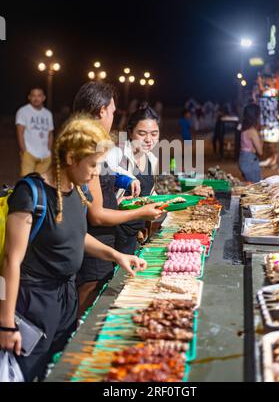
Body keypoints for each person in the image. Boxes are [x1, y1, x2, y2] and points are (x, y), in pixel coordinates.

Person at [0, 115, 146, 382]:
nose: (95, 173)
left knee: (60, 368)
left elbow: (77, 237)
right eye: (92, 165)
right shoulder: (31, 194)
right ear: (70, 159)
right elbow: (10, 262)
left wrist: (116, 255)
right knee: (29, 371)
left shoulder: (78, 192)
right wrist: (6, 323)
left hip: (66, 298)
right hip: (33, 303)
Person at [72, 82, 162, 316]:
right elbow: (97, 214)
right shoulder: (87, 148)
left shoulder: (97, 144)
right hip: (93, 237)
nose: (114, 115)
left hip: (104, 239)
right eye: (112, 110)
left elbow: (110, 177)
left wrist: (125, 181)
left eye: (154, 133)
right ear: (102, 110)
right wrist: (141, 213)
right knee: (88, 296)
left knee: (99, 292)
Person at [109, 103, 160, 255]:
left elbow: (149, 195)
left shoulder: (152, 159)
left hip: (136, 234)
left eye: (154, 133)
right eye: (142, 133)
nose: (149, 139)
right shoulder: (117, 154)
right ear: (130, 132)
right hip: (114, 234)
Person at [16, 88, 54, 177]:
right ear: (29, 97)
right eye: (33, 96)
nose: (36, 98)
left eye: (39, 96)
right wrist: (24, 151)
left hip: (45, 156)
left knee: (40, 183)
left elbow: (50, 133)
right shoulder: (23, 111)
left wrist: (49, 150)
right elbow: (20, 133)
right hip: (29, 154)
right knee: (27, 181)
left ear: (44, 98)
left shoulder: (48, 114)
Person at [238, 104, 263, 183]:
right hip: (250, 161)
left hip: (243, 158)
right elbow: (260, 151)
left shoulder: (244, 128)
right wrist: (261, 138)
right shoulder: (252, 132)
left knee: (250, 186)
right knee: (256, 187)